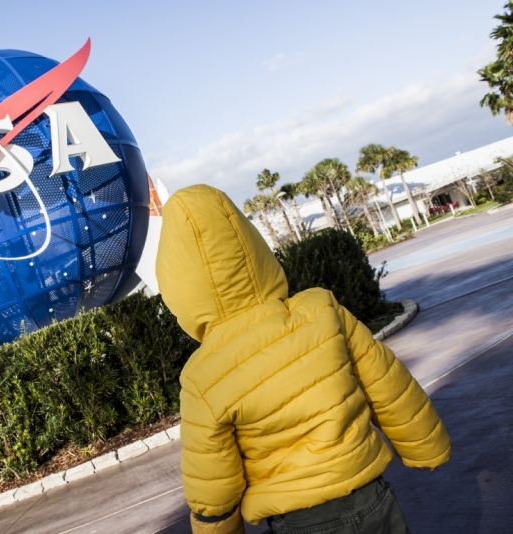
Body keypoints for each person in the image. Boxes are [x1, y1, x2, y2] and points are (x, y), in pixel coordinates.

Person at [154, 185, 450, 534]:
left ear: (179, 286)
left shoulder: (202, 377)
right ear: (251, 247)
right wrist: (426, 446)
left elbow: (213, 479)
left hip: (298, 521)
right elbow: (387, 384)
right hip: (371, 497)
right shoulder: (321, 311)